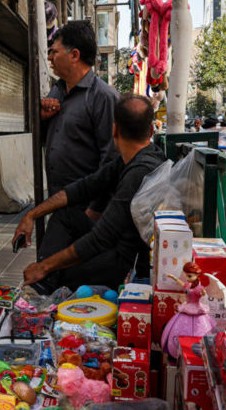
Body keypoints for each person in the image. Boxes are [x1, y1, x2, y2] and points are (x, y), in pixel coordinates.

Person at [15, 94, 166, 291]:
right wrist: (31, 215)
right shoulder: (138, 157)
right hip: (114, 247)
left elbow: (99, 238)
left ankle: (45, 283)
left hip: (127, 265)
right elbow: (82, 188)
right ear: (151, 130)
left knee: (58, 274)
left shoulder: (139, 172)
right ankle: (45, 282)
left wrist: (44, 266)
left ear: (114, 130)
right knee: (66, 215)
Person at [35, 20, 119, 293]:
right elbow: (44, 140)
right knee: (53, 277)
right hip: (60, 205)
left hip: (86, 211)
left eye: (54, 51)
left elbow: (111, 157)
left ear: (74, 55)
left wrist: (95, 208)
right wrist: (42, 118)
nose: (50, 57)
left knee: (78, 279)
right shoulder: (57, 92)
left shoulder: (103, 97)